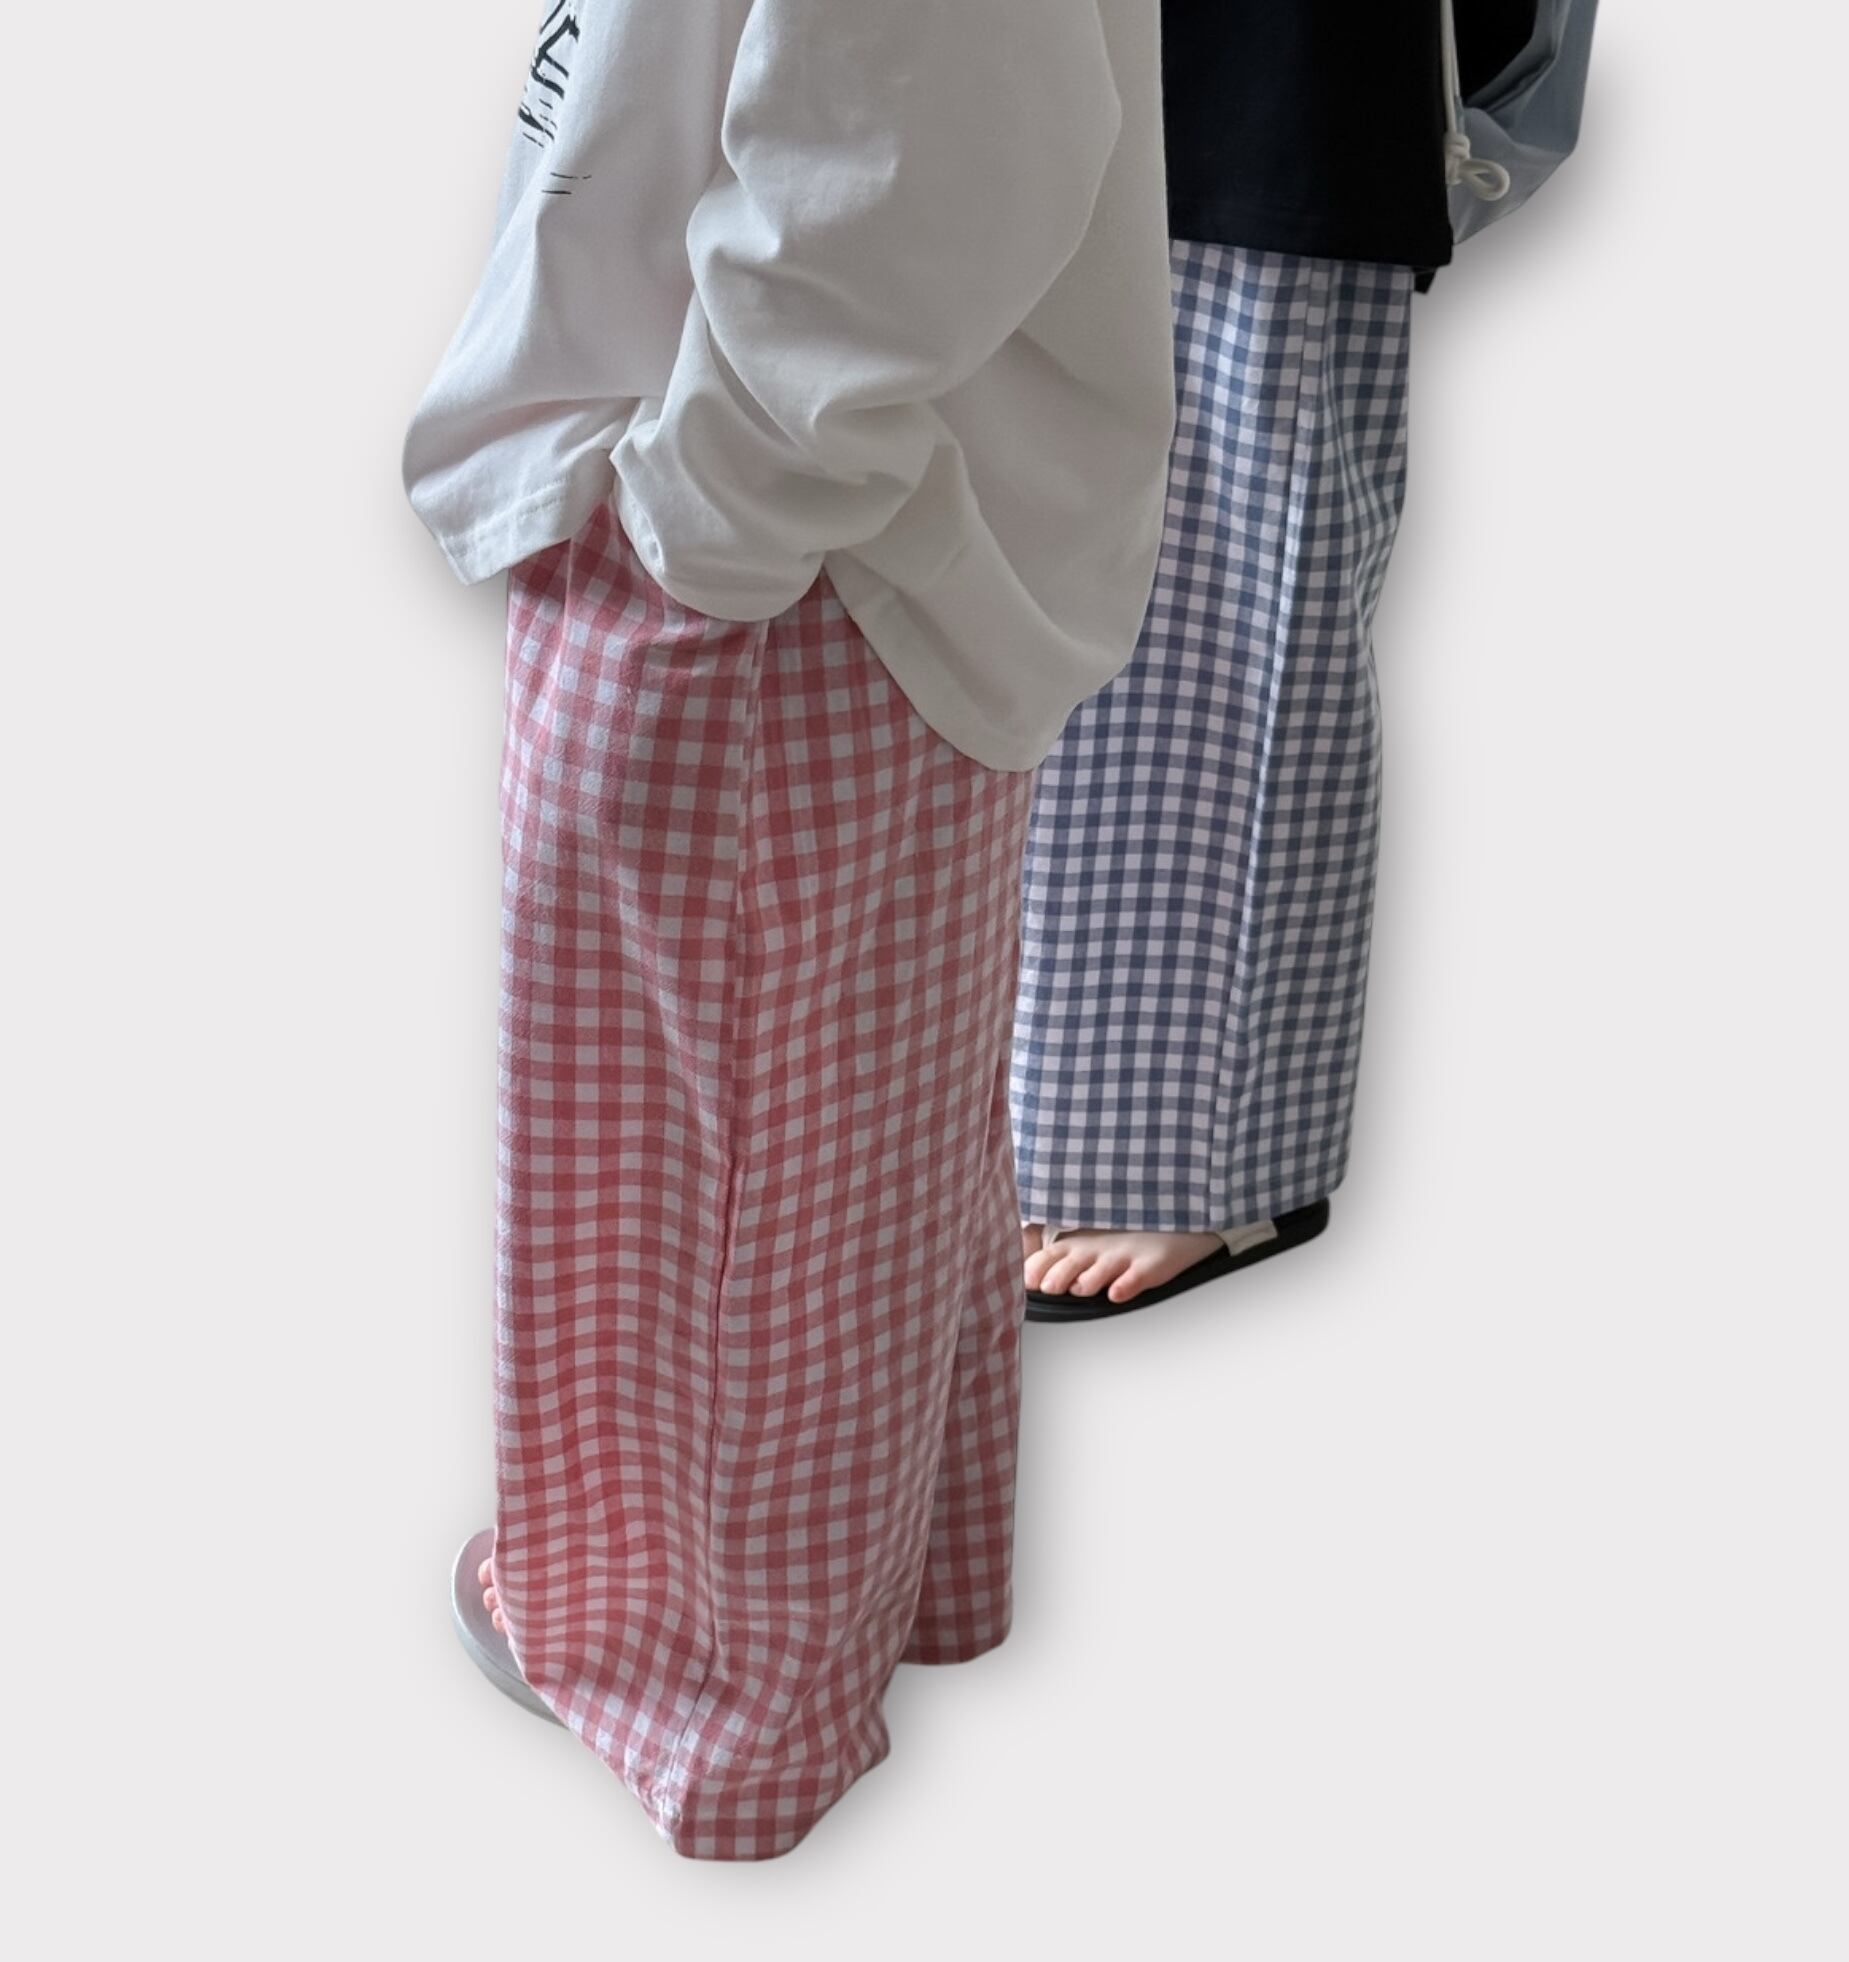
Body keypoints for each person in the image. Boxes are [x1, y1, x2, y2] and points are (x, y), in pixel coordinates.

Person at [403, 0, 1175, 1860]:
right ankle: (884, 1584)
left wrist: (700, 521)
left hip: (790, 558)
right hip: (838, 529)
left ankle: (713, 1681)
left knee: (711, 1171)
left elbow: (904, 166)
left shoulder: (746, 529)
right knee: (853, 1153)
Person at [1016, 0, 1548, 1317]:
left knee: (1248, 627)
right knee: (1031, 617)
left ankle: (1216, 1162)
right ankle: (1050, 1121)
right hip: (1035, 77)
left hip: (1287, 83)